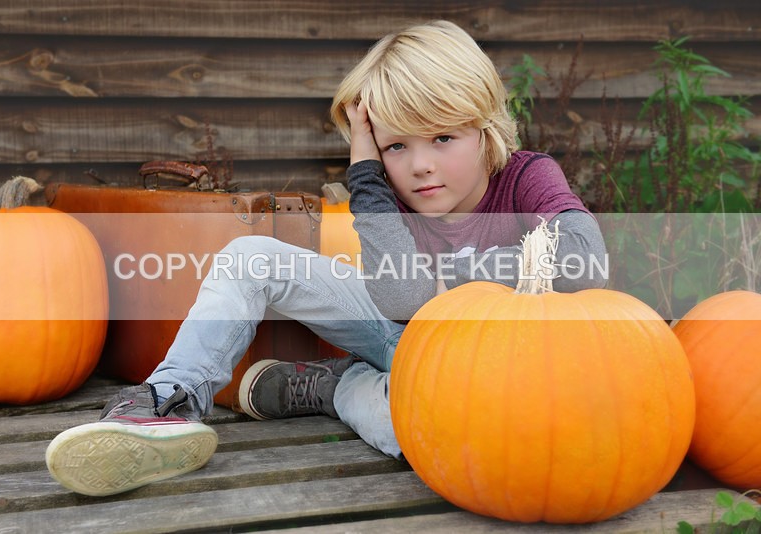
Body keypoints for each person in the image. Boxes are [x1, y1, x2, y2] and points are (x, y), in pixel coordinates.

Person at [45, 20, 607, 497]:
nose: (419, 167)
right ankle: (167, 402)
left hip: (482, 373)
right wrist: (365, 170)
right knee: (250, 258)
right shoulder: (384, 186)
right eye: (395, 146)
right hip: (397, 331)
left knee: (435, 435)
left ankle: (336, 387)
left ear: (483, 128)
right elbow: (399, 298)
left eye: (441, 138)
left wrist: (450, 277)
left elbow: (586, 259)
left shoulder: (529, 178)